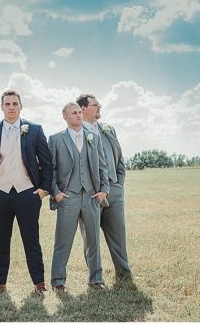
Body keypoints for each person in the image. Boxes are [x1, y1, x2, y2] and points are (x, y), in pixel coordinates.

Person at [0, 89, 53, 295]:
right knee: (1, 240)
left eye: (14, 103)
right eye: (7, 104)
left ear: (21, 106)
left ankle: (39, 283)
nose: (11, 107)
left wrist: (43, 189)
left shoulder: (34, 129)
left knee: (31, 240)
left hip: (28, 192)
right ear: (1, 107)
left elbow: (46, 162)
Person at [48, 102, 110, 291]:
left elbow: (102, 165)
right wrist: (56, 193)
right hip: (68, 197)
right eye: (74, 113)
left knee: (93, 240)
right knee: (63, 241)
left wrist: (104, 190)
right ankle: (58, 281)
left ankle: (96, 279)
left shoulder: (94, 137)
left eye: (80, 112)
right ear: (65, 116)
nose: (79, 115)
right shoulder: (56, 139)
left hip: (91, 196)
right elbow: (50, 170)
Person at [78, 94, 132, 279]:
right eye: (96, 105)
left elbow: (119, 158)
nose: (99, 107)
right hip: (90, 194)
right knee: (91, 238)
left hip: (114, 190)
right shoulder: (75, 132)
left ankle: (124, 273)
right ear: (83, 108)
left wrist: (119, 184)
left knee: (119, 235)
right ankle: (95, 278)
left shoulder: (108, 129)